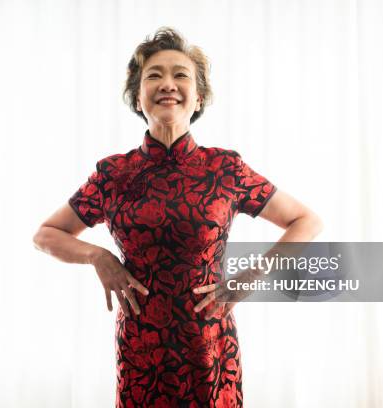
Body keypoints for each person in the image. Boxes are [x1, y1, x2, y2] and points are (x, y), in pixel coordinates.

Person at [33, 27, 322, 407]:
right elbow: (46, 234)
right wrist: (98, 257)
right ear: (138, 97)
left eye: (180, 74)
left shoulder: (225, 168)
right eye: (154, 75)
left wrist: (252, 275)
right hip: (142, 349)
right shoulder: (113, 173)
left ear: (198, 96)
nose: (167, 83)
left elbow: (306, 221)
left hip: (211, 347)